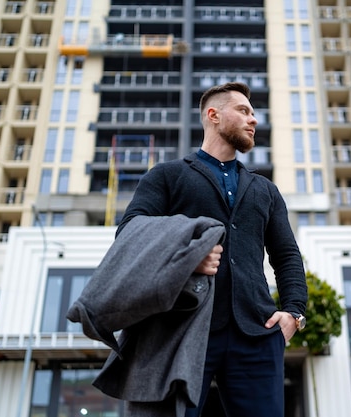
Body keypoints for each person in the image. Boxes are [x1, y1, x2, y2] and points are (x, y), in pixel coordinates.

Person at [116, 82, 308, 417]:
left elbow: (287, 255)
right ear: (213, 115)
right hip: (181, 329)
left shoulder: (266, 190)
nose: (253, 120)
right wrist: (188, 254)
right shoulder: (167, 176)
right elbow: (130, 232)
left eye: (253, 113)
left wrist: (293, 313)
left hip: (257, 332)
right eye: (244, 111)